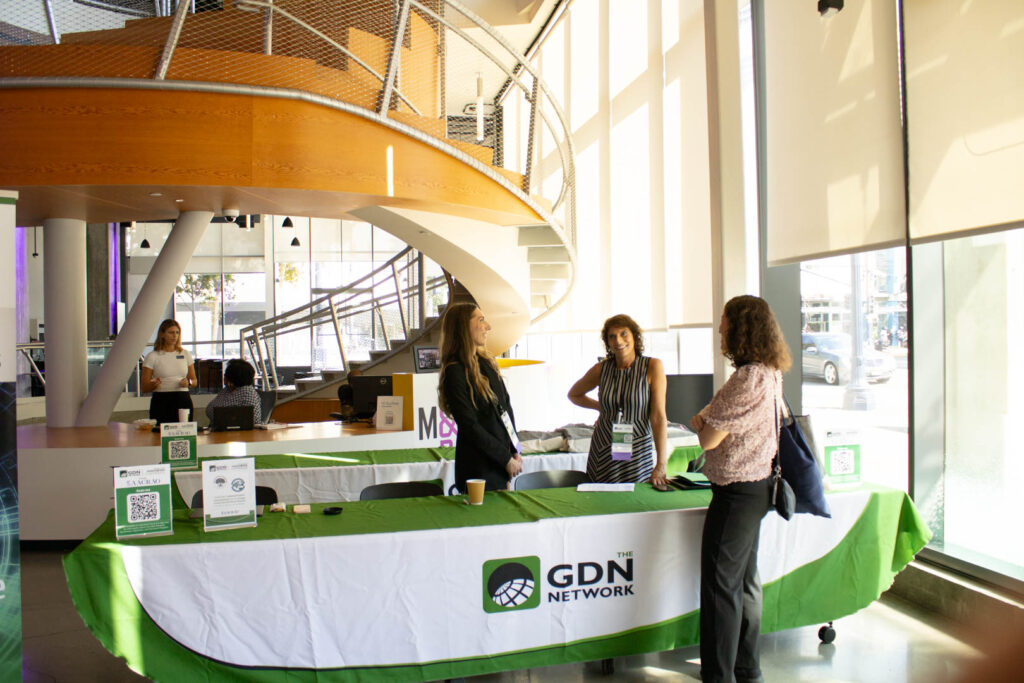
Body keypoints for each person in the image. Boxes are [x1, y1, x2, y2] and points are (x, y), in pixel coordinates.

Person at [688, 295, 791, 683]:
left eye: (724, 322)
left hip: (736, 493)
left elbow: (708, 440)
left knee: (720, 588)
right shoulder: (770, 373)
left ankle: (719, 676)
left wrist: (702, 419)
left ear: (740, 327)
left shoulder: (745, 379)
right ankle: (747, 669)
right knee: (745, 582)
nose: (719, 329)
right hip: (760, 488)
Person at [567, 314, 669, 486]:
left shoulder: (652, 366)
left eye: (623, 334)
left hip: (637, 450)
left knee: (636, 502)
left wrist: (661, 462)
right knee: (600, 503)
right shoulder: (601, 369)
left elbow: (658, 417)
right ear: (607, 342)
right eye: (612, 336)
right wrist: (601, 407)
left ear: (634, 337)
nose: (618, 340)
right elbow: (574, 394)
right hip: (604, 447)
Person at [438, 303, 522, 492]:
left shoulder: (487, 363)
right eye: (481, 320)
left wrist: (515, 449)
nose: (488, 327)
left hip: (501, 466)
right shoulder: (455, 371)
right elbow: (470, 426)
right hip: (478, 471)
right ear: (463, 326)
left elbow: (505, 409)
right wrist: (505, 458)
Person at [141, 319, 197, 425]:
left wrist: (188, 382)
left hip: (182, 398)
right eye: (171, 332)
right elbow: (144, 386)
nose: (174, 336)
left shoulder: (185, 354)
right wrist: (153, 385)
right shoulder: (153, 356)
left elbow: (194, 380)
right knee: (161, 435)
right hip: (162, 399)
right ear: (162, 334)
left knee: (184, 432)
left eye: (177, 333)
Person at [205, 359, 261, 426]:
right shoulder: (227, 390)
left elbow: (253, 420)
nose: (224, 377)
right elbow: (210, 410)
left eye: (226, 375)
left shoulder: (247, 393)